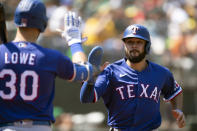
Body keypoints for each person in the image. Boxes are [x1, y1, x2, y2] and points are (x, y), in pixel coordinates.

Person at [0, 0, 102, 131]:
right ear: (42, 24)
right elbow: (84, 72)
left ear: (16, 20)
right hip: (39, 127)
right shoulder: (49, 57)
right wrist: (74, 42)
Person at [80, 24, 186, 131]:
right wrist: (90, 80)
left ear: (147, 46)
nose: (134, 46)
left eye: (139, 42)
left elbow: (175, 92)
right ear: (124, 45)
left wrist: (177, 109)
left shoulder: (161, 73)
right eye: (130, 42)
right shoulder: (110, 71)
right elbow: (87, 98)